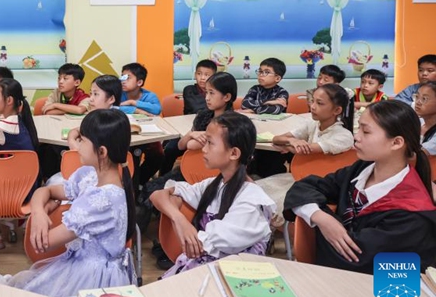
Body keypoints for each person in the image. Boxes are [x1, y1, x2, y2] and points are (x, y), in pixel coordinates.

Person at [284, 100, 436, 274]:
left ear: (396, 143)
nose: (356, 136)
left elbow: (351, 257)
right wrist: (322, 218)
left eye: (366, 131)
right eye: (358, 129)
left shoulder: (412, 212)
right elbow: (304, 186)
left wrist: (323, 219)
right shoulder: (362, 169)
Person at [5, 109, 136, 297]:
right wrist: (39, 212)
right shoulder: (91, 176)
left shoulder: (101, 201)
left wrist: (41, 211)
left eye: (82, 140)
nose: (77, 145)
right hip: (80, 265)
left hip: (92, 279)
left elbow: (43, 243)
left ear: (102, 152)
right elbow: (46, 190)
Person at [150, 112, 275, 276]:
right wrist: (179, 219)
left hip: (234, 281)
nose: (204, 149)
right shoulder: (214, 185)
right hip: (203, 273)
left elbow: (197, 246)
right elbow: (158, 195)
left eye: (210, 143)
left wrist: (186, 231)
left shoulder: (251, 202)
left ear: (234, 153)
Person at [257, 84, 356, 228]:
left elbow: (305, 150)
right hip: (302, 178)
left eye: (320, 103)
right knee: (256, 191)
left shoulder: (343, 136)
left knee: (272, 201)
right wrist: (292, 140)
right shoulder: (313, 124)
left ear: (337, 110)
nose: (313, 106)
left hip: (321, 186)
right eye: (312, 101)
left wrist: (291, 146)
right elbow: (277, 139)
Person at [0, 78, 38, 153]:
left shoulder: (1, 128)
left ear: (9, 100)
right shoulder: (21, 119)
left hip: (12, 164)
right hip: (28, 164)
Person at [414, 81, 436, 155]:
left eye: (424, 99)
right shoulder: (417, 121)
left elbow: (417, 155)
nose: (418, 102)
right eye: (417, 97)